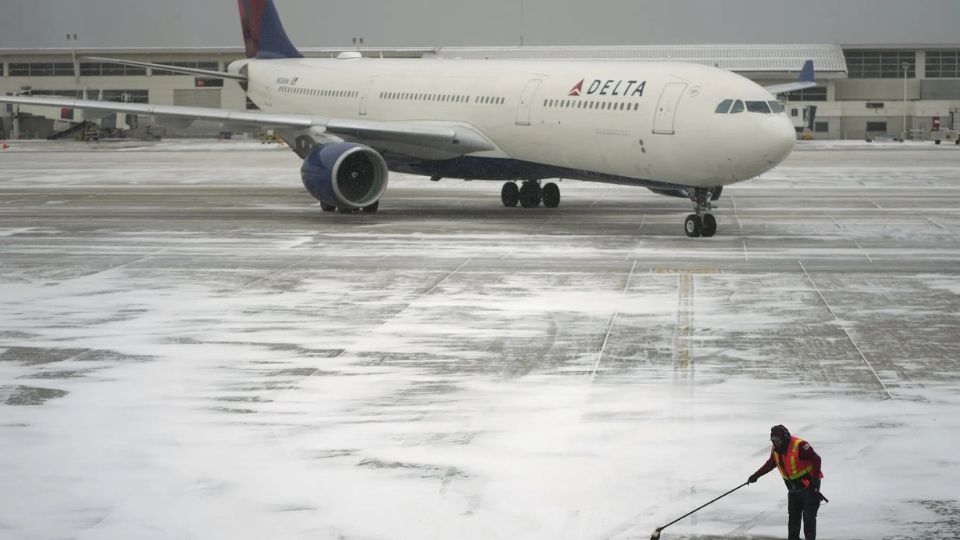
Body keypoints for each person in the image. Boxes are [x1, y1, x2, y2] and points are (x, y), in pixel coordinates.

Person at [748, 425, 824, 540]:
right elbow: (771, 463)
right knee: (793, 519)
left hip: (809, 487)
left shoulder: (800, 446)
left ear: (785, 437)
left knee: (809, 518)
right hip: (793, 490)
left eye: (778, 440)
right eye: (773, 440)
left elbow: (816, 459)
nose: (776, 443)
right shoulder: (775, 450)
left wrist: (814, 480)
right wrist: (756, 475)